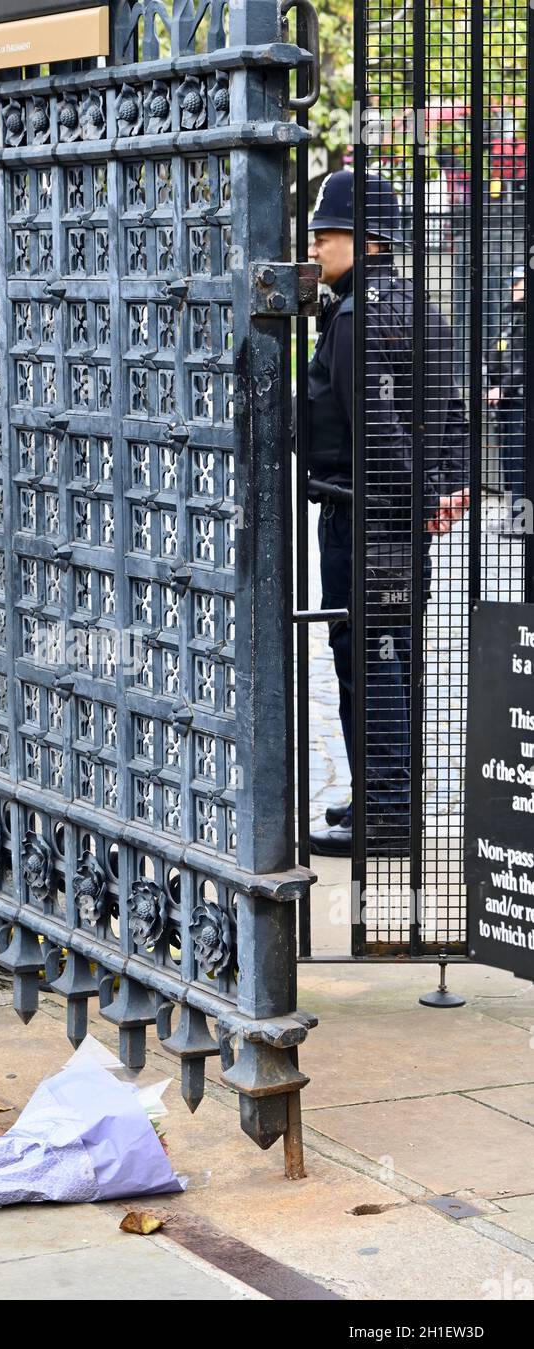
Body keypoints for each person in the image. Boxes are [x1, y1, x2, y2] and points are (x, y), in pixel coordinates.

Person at [304, 169, 469, 856]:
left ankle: (388, 815)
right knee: (391, 655)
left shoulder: (352, 315)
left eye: (325, 231)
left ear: (364, 239)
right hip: (398, 519)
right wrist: (446, 487)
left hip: (362, 514)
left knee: (365, 658)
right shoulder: (415, 304)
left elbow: (375, 429)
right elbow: (447, 409)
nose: (312, 244)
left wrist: (419, 494)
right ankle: (382, 797)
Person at [486, 265, 526, 527]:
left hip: (521, 401)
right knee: (510, 462)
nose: (512, 287)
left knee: (519, 462)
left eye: (518, 282)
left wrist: (504, 387)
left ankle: (522, 521)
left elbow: (525, 361)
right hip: (507, 403)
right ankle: (516, 517)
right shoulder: (513, 317)